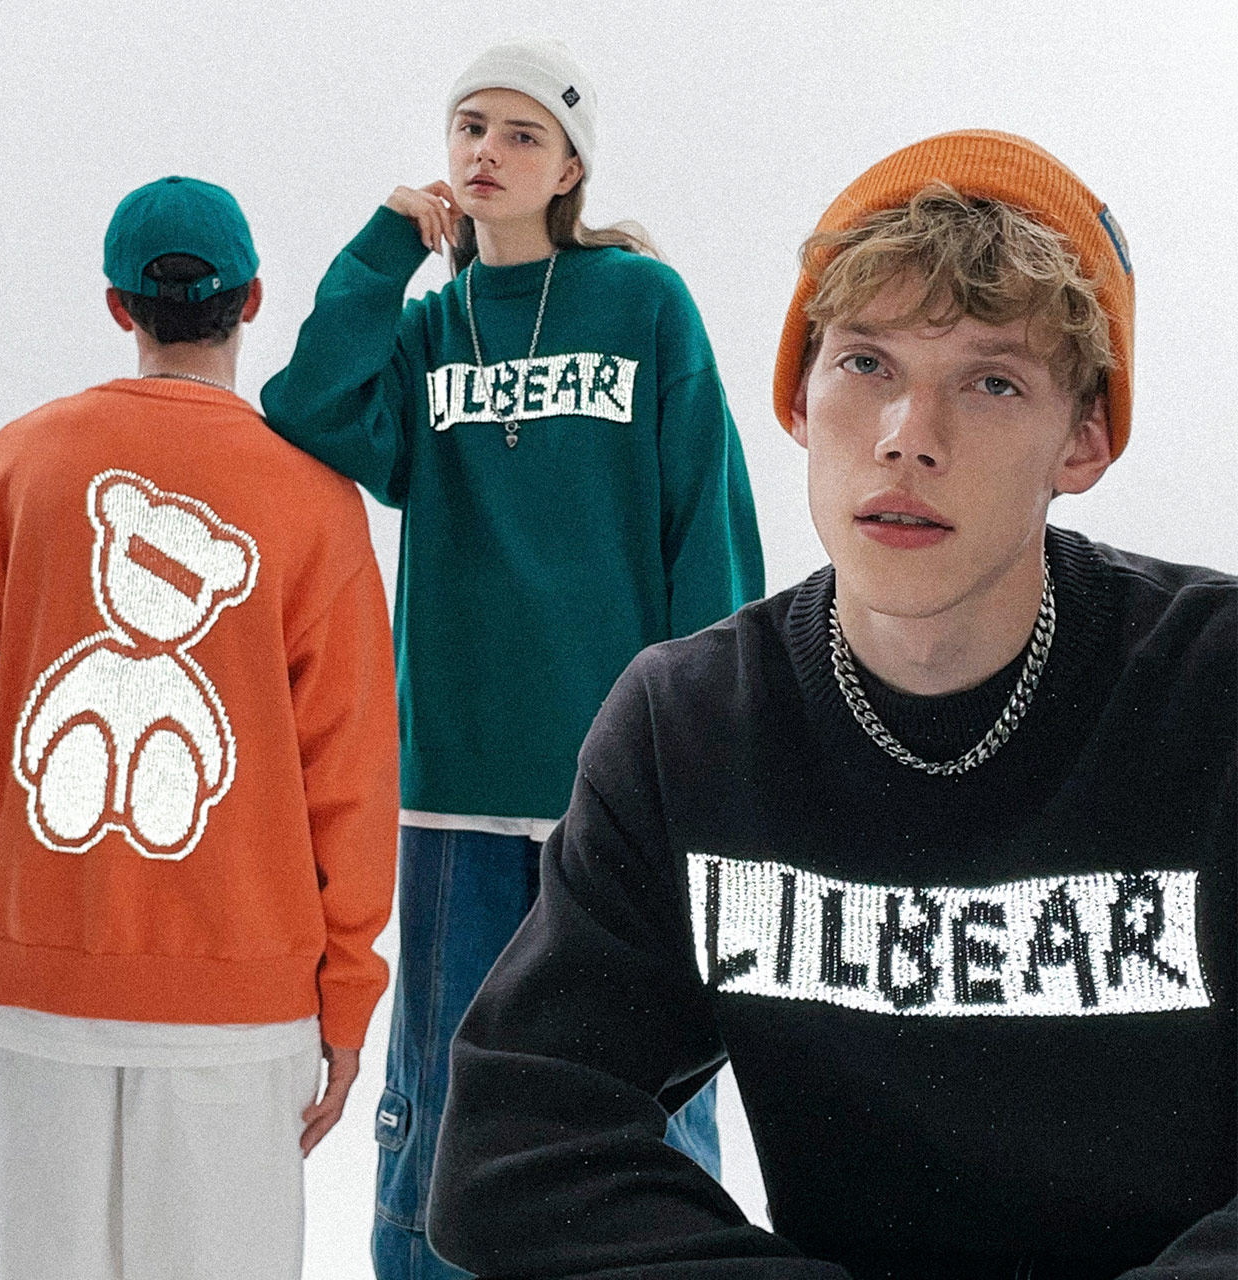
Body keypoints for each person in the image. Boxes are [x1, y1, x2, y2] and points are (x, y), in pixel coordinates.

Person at [426, 130, 1237, 1280]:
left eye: (991, 380)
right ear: (797, 400)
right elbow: (514, 1146)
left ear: (1084, 436)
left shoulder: (1211, 689)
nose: (908, 437)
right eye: (865, 363)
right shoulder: (689, 726)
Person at [261, 37, 763, 1279]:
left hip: (621, 785)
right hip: (456, 778)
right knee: (444, 1087)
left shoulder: (643, 305)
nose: (485, 151)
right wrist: (384, 247)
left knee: (646, 1080)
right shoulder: (428, 330)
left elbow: (705, 521)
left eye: (520, 133)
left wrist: (709, 739)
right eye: (469, 127)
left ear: (569, 168)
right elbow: (308, 407)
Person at [0, 176, 399, 1280]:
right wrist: (348, 995)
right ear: (252, 300)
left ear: (118, 306)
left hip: (26, 998)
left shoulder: (17, 465)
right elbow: (351, 773)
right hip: (239, 1010)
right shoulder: (314, 498)